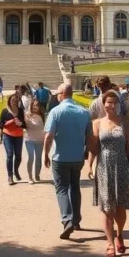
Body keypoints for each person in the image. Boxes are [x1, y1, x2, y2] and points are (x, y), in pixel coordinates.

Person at [89, 90, 129, 257]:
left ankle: (120, 233)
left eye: (114, 102)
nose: (111, 105)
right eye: (108, 102)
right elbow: (94, 147)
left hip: (122, 166)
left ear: (119, 105)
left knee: (121, 208)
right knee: (107, 207)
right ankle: (110, 244)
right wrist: (89, 165)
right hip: (103, 167)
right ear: (103, 104)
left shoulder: (124, 123)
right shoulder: (97, 123)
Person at [43, 83, 92, 240]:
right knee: (75, 187)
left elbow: (49, 136)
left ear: (62, 94)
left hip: (60, 157)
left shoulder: (55, 112)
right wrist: (86, 152)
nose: (57, 96)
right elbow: (90, 136)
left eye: (58, 93)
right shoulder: (84, 112)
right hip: (78, 157)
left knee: (62, 189)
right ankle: (76, 220)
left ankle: (67, 220)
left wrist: (45, 154)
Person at [0, 93, 26, 185]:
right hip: (8, 135)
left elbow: (25, 125)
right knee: (10, 155)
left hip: (18, 135)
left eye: (15, 100)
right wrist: (9, 122)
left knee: (18, 155)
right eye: (12, 100)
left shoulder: (21, 111)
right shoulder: (5, 111)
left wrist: (21, 124)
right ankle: (10, 176)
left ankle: (16, 170)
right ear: (9, 101)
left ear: (18, 101)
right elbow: (0, 124)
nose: (14, 102)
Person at [24, 99, 47, 184]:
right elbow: (24, 126)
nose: (35, 107)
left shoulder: (42, 115)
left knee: (38, 158)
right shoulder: (27, 115)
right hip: (29, 139)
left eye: (37, 105)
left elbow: (45, 128)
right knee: (31, 157)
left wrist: (45, 138)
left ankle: (37, 174)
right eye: (34, 105)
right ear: (31, 105)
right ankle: (30, 177)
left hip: (39, 139)